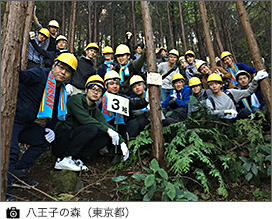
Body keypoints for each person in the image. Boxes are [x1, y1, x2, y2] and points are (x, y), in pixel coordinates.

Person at [6, 53, 78, 201]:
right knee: (12, 152)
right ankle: (6, 192)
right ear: (54, 65)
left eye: (68, 71)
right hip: (11, 119)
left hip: (26, 124)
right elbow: (20, 76)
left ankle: (18, 172)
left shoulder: (60, 89)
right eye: (61, 67)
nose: (63, 72)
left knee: (42, 140)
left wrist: (50, 128)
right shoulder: (40, 74)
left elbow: (54, 112)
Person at [52, 75, 129, 171]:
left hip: (75, 140)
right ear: (86, 89)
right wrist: (109, 130)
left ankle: (77, 158)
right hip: (62, 141)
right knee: (92, 128)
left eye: (99, 91)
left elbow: (104, 123)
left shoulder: (94, 109)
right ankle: (64, 159)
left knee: (106, 136)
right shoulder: (75, 100)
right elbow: (85, 119)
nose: (96, 92)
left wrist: (122, 142)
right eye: (93, 89)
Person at [101, 70, 148, 163]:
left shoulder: (121, 97)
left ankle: (121, 152)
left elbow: (132, 102)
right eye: (111, 84)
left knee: (135, 123)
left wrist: (145, 100)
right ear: (106, 86)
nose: (115, 86)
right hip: (106, 130)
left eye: (117, 84)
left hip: (121, 128)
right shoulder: (100, 99)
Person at [126, 75, 150, 140]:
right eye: (134, 87)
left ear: (144, 86)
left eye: (139, 85)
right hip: (142, 123)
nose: (137, 88)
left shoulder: (151, 93)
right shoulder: (132, 99)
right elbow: (135, 113)